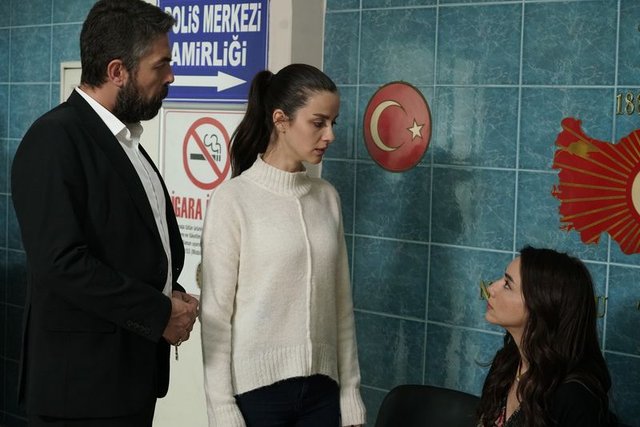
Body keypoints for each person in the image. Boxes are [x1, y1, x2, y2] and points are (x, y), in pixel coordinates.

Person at [10, 1, 198, 425]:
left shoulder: (126, 143)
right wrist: (158, 313)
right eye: (161, 65)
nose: (170, 76)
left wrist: (171, 293)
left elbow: (125, 250)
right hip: (79, 394)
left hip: (127, 382)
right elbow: (61, 264)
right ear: (117, 71)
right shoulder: (53, 139)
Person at [200, 63, 366, 427]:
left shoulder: (327, 197)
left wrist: (350, 394)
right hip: (256, 397)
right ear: (281, 120)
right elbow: (215, 317)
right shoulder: (233, 200)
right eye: (318, 122)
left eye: (333, 123)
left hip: (323, 395)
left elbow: (341, 305)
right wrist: (221, 409)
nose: (330, 135)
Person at [477, 246, 616, 427]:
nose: (490, 288)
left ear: (542, 305)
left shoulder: (575, 397)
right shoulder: (506, 362)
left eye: (507, 285)